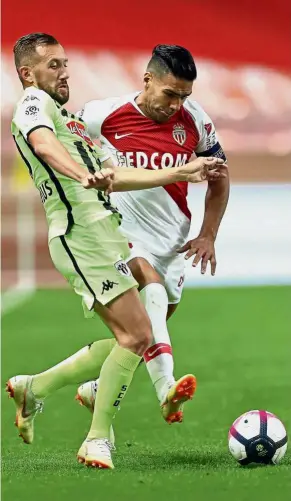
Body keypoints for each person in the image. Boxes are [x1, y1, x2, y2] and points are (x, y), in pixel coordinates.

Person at [7, 33, 226, 470]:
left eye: (65, 63)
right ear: (29, 74)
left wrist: (182, 170)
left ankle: (36, 387)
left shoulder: (69, 120)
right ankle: (98, 438)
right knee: (139, 334)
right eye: (54, 65)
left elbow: (115, 176)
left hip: (106, 231)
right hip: (81, 233)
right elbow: (43, 146)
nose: (65, 70)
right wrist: (80, 176)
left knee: (134, 334)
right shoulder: (34, 104)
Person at [74, 44, 230, 429]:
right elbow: (61, 140)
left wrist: (207, 234)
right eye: (170, 94)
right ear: (147, 80)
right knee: (152, 292)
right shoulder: (101, 114)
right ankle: (167, 391)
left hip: (172, 242)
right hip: (121, 235)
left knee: (140, 338)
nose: (177, 104)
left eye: (184, 96)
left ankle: (83, 388)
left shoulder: (195, 121)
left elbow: (220, 177)